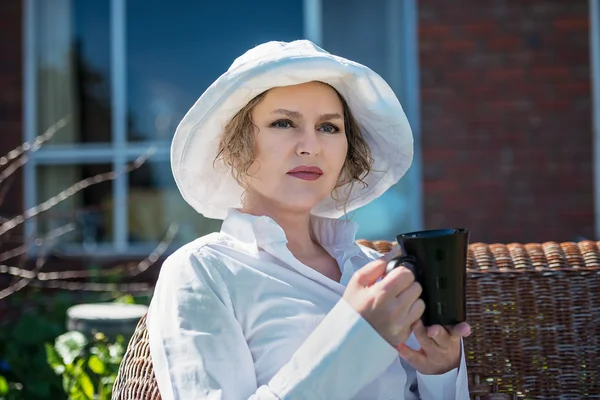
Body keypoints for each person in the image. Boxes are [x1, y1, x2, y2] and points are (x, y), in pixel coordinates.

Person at [147, 40, 471, 400]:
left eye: (329, 128)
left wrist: (440, 372)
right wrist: (358, 336)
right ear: (236, 146)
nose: (310, 146)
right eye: (283, 123)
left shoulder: (372, 269)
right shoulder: (203, 271)